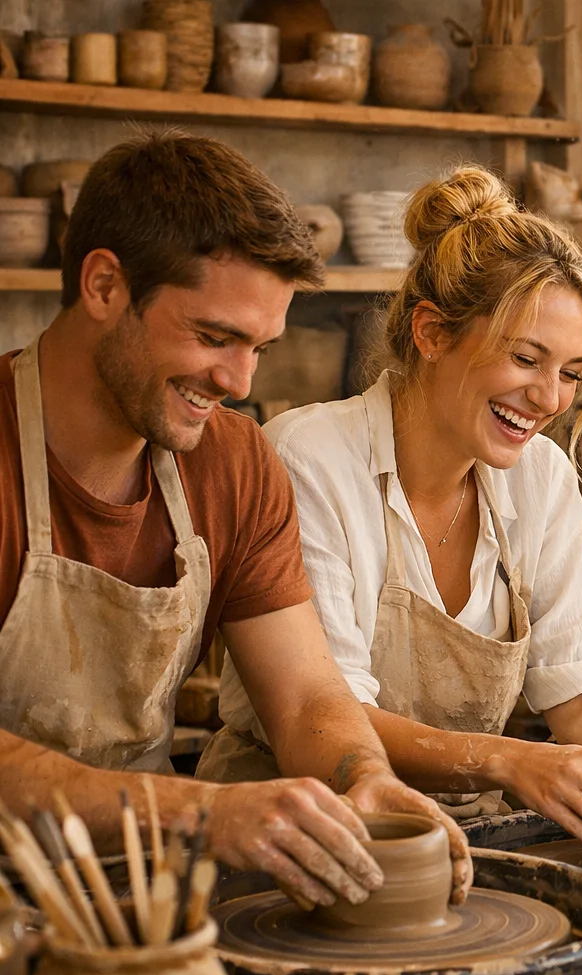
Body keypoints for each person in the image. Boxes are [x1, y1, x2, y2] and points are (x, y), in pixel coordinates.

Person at [205, 167, 582, 859]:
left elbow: (578, 691)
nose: (549, 397)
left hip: (470, 839)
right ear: (430, 332)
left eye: (572, 373)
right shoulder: (308, 459)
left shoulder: (540, 476)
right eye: (526, 358)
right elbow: (324, 715)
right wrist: (512, 760)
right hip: (298, 834)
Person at [0, 129, 468, 908]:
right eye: (214, 337)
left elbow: (306, 698)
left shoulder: (233, 461)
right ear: (105, 286)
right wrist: (200, 813)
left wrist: (366, 779)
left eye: (260, 346)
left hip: (141, 899)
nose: (237, 379)